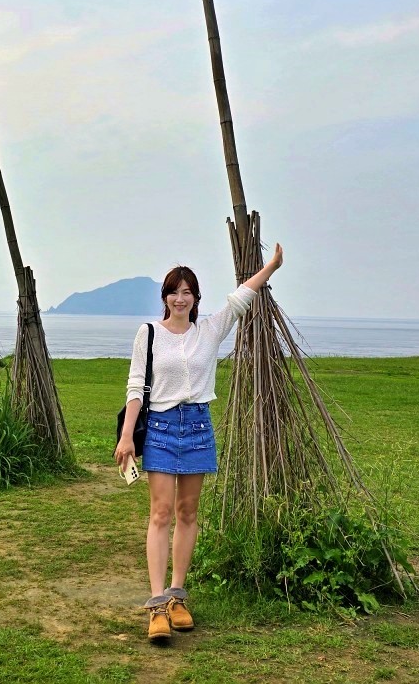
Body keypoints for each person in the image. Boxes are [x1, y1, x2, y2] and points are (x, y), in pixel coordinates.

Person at [114, 243, 284, 643]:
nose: (180, 298)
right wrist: (127, 437)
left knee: (189, 513)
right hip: (160, 427)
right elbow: (136, 387)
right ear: (165, 298)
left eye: (187, 292)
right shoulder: (149, 333)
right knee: (161, 513)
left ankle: (177, 597)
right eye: (174, 291)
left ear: (195, 298)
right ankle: (157, 606)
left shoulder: (209, 330)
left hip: (198, 428)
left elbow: (241, 296)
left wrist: (271, 267)